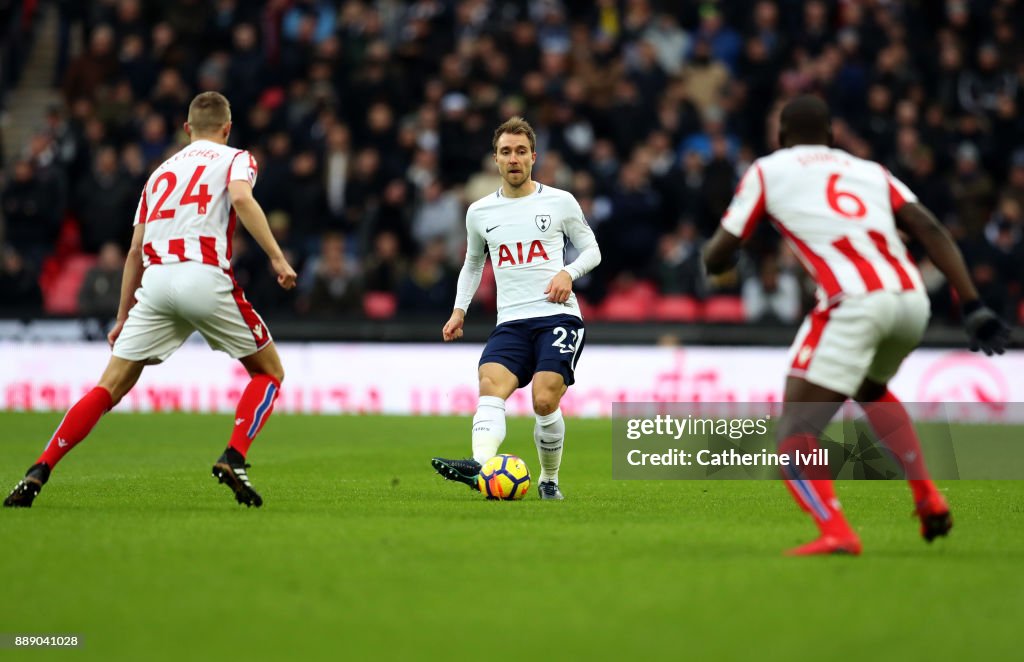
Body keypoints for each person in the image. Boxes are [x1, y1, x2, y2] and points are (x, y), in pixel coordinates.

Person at [703, 95, 1010, 555]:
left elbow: (718, 251)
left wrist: (722, 257)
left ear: (781, 137)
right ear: (831, 137)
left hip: (854, 302)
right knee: (869, 388)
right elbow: (930, 229)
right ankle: (927, 496)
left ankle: (836, 531)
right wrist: (972, 303)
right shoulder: (870, 171)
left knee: (794, 435)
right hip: (910, 300)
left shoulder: (769, 169)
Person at [4, 92, 298, 509]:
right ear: (227, 129)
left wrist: (123, 316)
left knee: (109, 386)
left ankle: (39, 468)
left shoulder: (159, 174)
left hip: (156, 283)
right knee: (269, 372)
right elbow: (241, 198)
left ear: (186, 129)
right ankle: (234, 455)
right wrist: (277, 257)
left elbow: (135, 248)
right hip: (203, 275)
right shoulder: (236, 158)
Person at [430, 117, 601, 500]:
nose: (513, 159)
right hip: (511, 321)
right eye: (506, 152)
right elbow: (474, 264)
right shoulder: (480, 213)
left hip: (557, 316)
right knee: (490, 383)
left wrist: (568, 273)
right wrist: (459, 311)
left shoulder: (559, 201)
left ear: (533, 157)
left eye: (521, 151)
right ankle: (480, 468)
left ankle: (548, 479)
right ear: (495, 159)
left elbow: (592, 250)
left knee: (544, 399)